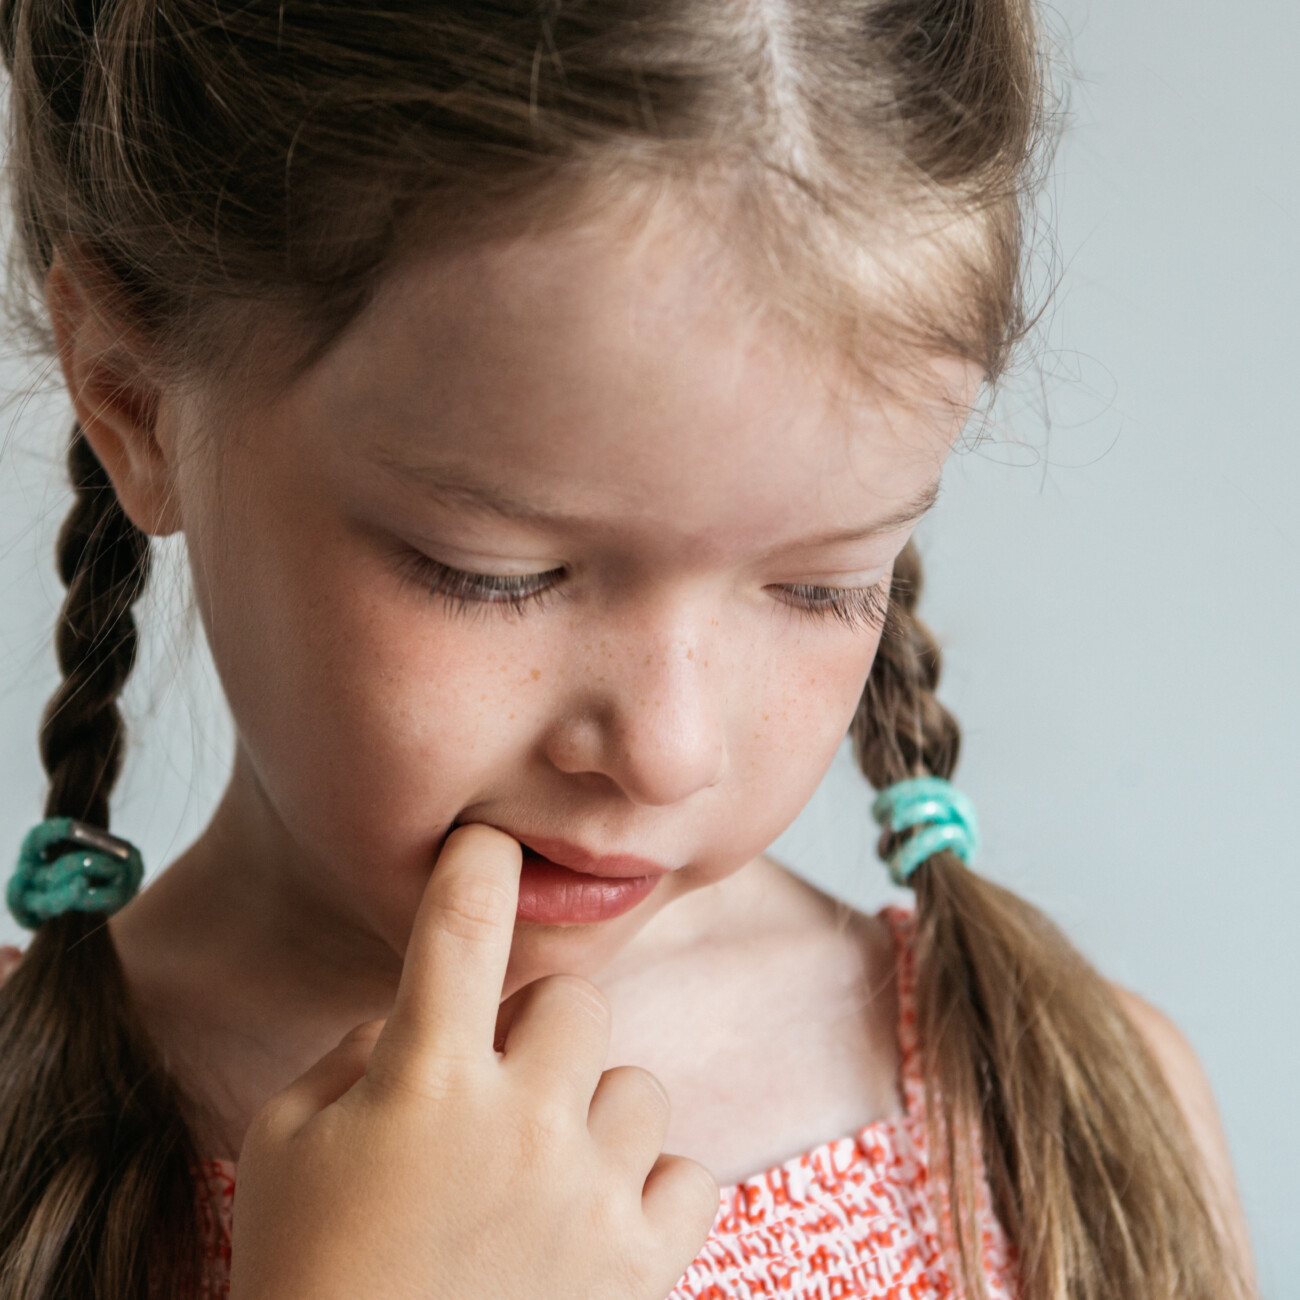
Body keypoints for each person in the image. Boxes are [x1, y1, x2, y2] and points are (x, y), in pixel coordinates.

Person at [0, 1, 1256, 1297]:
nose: (667, 752)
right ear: (135, 402)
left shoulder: (1060, 1123)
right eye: (499, 575)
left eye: (822, 587)